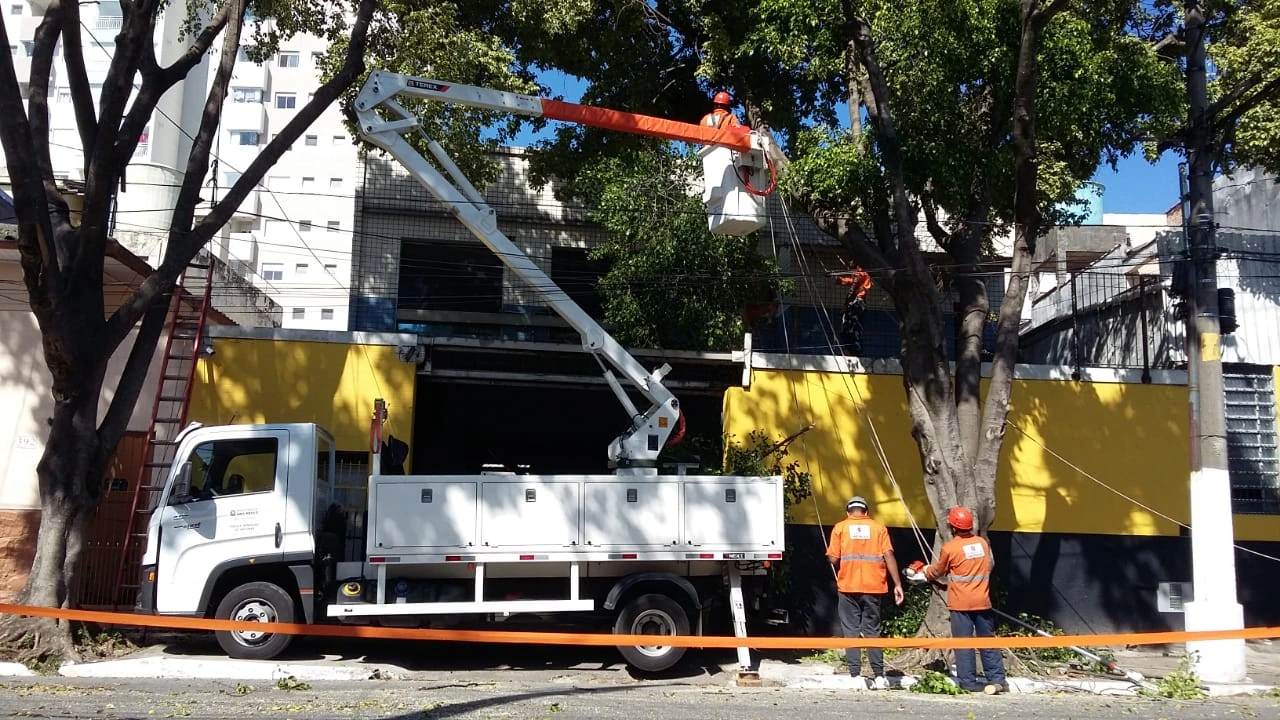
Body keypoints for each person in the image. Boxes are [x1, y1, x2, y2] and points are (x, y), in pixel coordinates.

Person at [905, 506, 1008, 694]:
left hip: (961, 604)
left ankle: (968, 682)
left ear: (953, 527)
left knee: (964, 644)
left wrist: (923, 572)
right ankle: (998, 679)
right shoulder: (982, 544)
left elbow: (938, 571)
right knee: (987, 642)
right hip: (983, 602)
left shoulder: (950, 548)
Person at [825, 495, 905, 690]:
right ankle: (879, 676)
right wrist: (898, 585)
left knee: (851, 630)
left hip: (848, 587)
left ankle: (855, 676)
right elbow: (889, 555)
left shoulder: (840, 528)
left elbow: (833, 559)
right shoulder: (879, 528)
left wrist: (830, 558)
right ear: (866, 511)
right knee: (872, 630)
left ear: (848, 512)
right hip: (874, 586)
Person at [837, 264, 872, 356]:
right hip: (854, 304)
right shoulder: (858, 273)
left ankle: (855, 351)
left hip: (857, 304)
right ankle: (850, 350)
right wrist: (840, 280)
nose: (850, 263)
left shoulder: (861, 271)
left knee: (853, 329)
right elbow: (853, 281)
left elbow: (856, 281)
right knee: (846, 330)